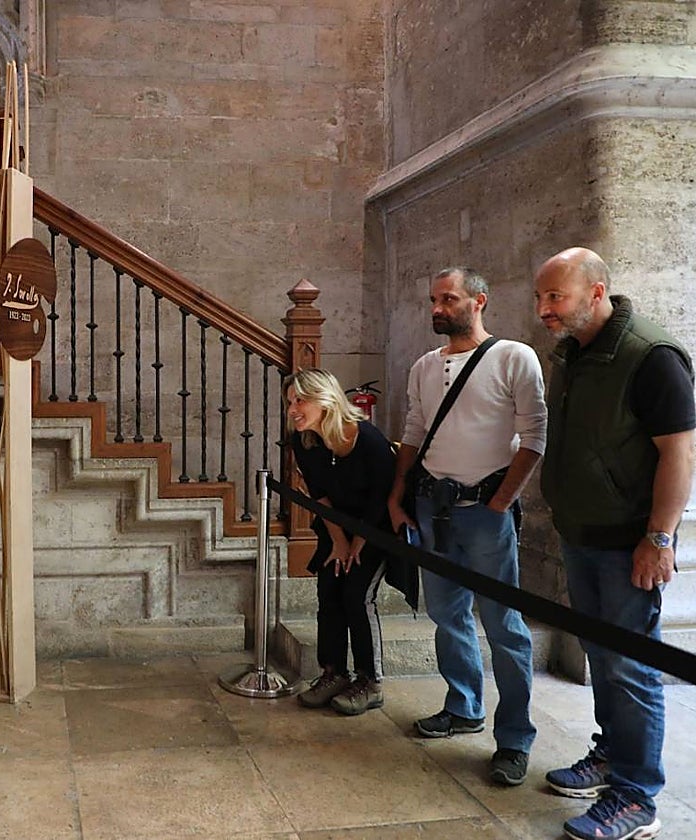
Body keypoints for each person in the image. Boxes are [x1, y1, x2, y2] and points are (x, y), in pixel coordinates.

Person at [534, 247, 694, 840]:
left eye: (556, 296)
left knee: (631, 667)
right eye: (540, 297)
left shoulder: (651, 356)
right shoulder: (573, 352)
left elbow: (679, 453)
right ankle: (611, 755)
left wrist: (659, 537)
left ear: (596, 292)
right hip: (583, 533)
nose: (544, 309)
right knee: (604, 657)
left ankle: (636, 796)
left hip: (629, 541)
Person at [386, 266, 546, 787]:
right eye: (433, 299)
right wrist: (397, 493)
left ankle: (515, 738)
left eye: (447, 298)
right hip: (433, 507)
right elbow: (413, 429)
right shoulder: (423, 367)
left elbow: (535, 434)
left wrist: (501, 501)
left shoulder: (513, 356)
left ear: (478, 301)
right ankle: (463, 705)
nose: (436, 308)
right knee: (447, 614)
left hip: (486, 511)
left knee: (504, 625)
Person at [286, 369, 408, 715]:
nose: (293, 409)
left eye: (300, 400)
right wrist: (339, 542)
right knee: (329, 590)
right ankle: (333, 672)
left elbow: (381, 499)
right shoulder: (304, 440)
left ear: (325, 400)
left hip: (377, 526)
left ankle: (370, 681)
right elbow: (319, 496)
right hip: (336, 526)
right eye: (290, 402)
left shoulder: (366, 439)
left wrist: (358, 544)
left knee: (357, 594)